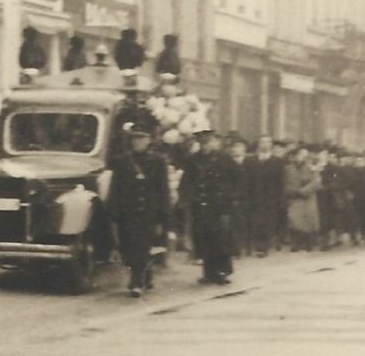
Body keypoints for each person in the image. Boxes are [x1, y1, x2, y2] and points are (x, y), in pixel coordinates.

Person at [108, 114, 171, 297]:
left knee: (142, 247)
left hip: (148, 213)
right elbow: (115, 189)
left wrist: (163, 217)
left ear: (149, 140)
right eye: (134, 138)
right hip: (127, 213)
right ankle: (146, 276)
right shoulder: (122, 162)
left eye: (141, 138)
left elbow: (163, 191)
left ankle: (137, 282)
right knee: (129, 248)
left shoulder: (158, 162)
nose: (137, 142)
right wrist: (113, 212)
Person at [182, 128, 238, 284]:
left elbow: (237, 178)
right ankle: (208, 273)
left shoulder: (223, 158)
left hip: (219, 206)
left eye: (207, 142)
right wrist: (186, 198)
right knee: (203, 239)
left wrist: (231, 197)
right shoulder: (192, 160)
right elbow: (187, 181)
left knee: (219, 240)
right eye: (201, 143)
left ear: (213, 142)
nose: (204, 146)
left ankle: (222, 272)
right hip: (200, 205)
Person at [244, 135, 283, 257]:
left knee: (267, 222)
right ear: (258, 145)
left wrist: (279, 198)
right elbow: (246, 180)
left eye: (267, 142)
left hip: (270, 198)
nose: (264, 145)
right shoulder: (250, 161)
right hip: (254, 197)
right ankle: (253, 246)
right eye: (262, 142)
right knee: (253, 221)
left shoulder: (277, 161)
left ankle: (263, 247)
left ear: (271, 145)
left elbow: (281, 182)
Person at [283, 145, 321, 251]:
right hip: (294, 198)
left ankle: (309, 243)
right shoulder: (288, 168)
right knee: (294, 220)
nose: (302, 157)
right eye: (299, 154)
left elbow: (316, 182)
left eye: (304, 155)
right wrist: (291, 191)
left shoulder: (311, 168)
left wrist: (303, 191)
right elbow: (286, 182)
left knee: (308, 220)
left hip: (307, 197)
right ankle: (295, 243)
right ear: (295, 156)